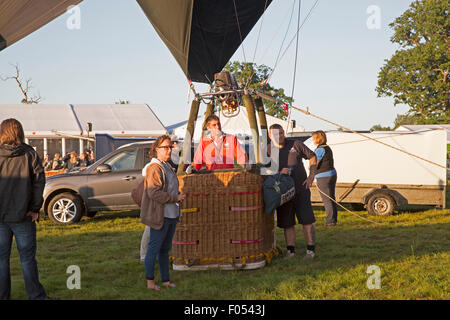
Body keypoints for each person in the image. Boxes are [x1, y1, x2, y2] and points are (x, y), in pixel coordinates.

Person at [0, 118, 50, 300]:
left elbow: (38, 182)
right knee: (27, 259)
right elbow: (39, 182)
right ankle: (36, 296)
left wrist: (35, 207)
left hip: (11, 216)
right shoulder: (30, 154)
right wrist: (35, 208)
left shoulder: (29, 154)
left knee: (2, 260)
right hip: (23, 215)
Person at [140, 135, 186, 291]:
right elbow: (154, 193)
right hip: (160, 215)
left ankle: (166, 280)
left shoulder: (166, 165)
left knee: (165, 250)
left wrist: (178, 195)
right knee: (153, 249)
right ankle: (150, 282)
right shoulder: (154, 168)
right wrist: (175, 197)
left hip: (171, 214)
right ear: (156, 150)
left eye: (170, 147)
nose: (169, 150)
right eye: (165, 147)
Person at [266, 124, 318, 259]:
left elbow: (313, 157)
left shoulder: (296, 144)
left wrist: (312, 176)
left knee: (307, 221)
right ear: (270, 136)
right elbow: (263, 171)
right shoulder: (267, 150)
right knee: (287, 223)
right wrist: (278, 172)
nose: (280, 136)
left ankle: (310, 250)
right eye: (276, 134)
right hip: (282, 193)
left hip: (301, 189)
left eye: (282, 133)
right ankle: (291, 251)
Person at [312, 131, 338, 226]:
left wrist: (310, 169)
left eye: (314, 138)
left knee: (327, 199)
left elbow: (315, 163)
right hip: (332, 173)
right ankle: (334, 219)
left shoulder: (319, 149)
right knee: (331, 198)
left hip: (323, 176)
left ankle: (330, 221)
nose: (313, 140)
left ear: (318, 139)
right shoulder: (327, 148)